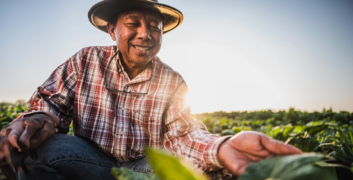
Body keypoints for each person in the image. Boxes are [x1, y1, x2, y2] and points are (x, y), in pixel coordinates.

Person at [0, 0, 301, 179]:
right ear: (112, 30)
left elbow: (185, 136)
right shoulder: (85, 60)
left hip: (144, 169)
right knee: (45, 148)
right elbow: (49, 105)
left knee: (194, 168)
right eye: (133, 24)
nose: (145, 34)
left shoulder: (172, 80)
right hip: (90, 161)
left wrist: (221, 147)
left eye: (154, 26)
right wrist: (35, 121)